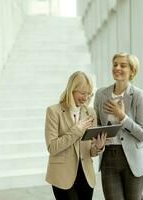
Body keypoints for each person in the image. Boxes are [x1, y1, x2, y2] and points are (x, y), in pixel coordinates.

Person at [94, 52, 143, 200]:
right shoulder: (101, 94)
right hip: (108, 157)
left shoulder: (139, 95)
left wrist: (121, 116)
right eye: (115, 64)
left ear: (132, 71)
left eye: (123, 65)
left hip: (135, 158)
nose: (117, 68)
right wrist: (97, 143)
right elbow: (97, 127)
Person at [45, 71, 107, 200]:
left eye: (89, 94)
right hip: (62, 175)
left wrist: (98, 147)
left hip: (86, 175)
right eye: (82, 93)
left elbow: (91, 151)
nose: (86, 98)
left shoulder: (90, 113)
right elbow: (52, 147)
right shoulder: (53, 111)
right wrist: (77, 130)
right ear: (71, 90)